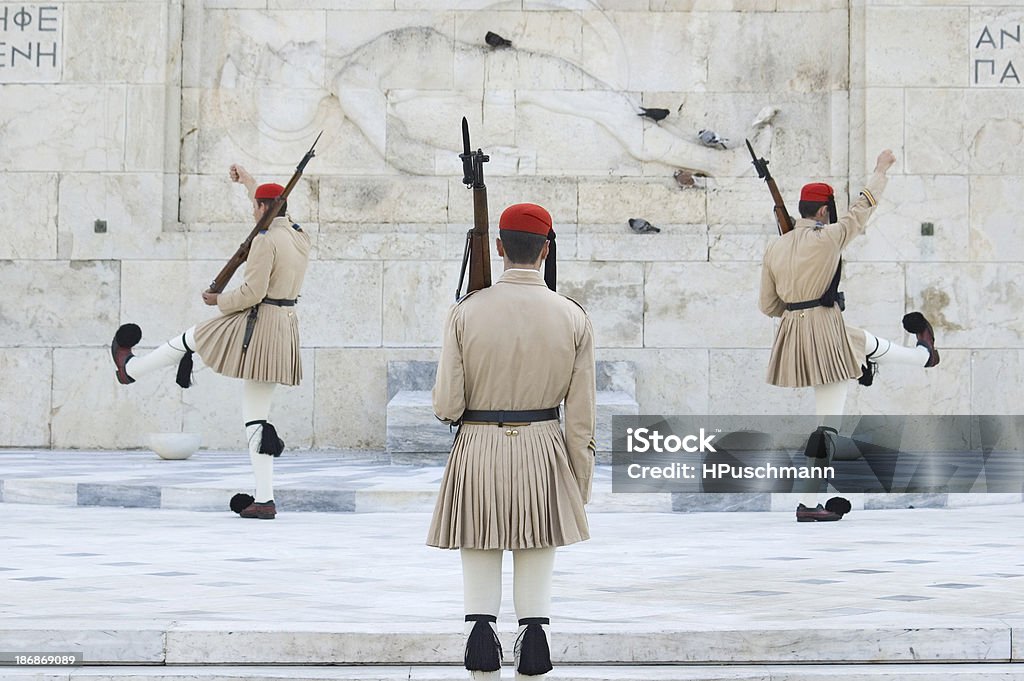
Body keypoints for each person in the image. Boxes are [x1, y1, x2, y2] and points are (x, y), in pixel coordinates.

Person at [427, 203, 596, 681]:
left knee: (480, 537)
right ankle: (536, 636)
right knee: (537, 538)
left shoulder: (465, 312)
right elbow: (581, 419)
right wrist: (577, 486)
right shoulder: (573, 316)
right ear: (545, 250)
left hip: (479, 443)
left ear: (499, 249)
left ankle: (480, 635)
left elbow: (447, 406)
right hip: (543, 444)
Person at [110, 164, 311, 520]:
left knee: (194, 335)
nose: (253, 210)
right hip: (285, 327)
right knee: (256, 419)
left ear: (265, 209)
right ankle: (264, 500)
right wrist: (250, 183)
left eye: (256, 206)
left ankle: (131, 370)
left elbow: (252, 292)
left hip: (258, 324)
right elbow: (267, 207)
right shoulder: (298, 234)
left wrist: (217, 300)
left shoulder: (265, 241)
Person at [758, 149, 940, 522]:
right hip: (825, 330)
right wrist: (880, 169)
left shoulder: (775, 247)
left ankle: (923, 355)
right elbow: (863, 206)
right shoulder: (829, 238)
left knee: (859, 340)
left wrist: (797, 309)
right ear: (824, 211)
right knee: (827, 425)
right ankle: (809, 505)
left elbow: (768, 306)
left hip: (795, 332)